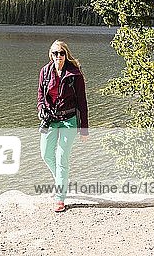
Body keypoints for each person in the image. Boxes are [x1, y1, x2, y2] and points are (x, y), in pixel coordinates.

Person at [37, 39, 89, 212]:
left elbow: (82, 102)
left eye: (61, 53)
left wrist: (84, 128)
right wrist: (41, 110)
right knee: (45, 154)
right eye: (55, 53)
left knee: (61, 157)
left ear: (66, 54)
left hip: (69, 121)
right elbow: (40, 97)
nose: (58, 56)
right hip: (51, 120)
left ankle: (60, 197)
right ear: (50, 55)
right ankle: (61, 180)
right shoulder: (45, 72)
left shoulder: (75, 74)